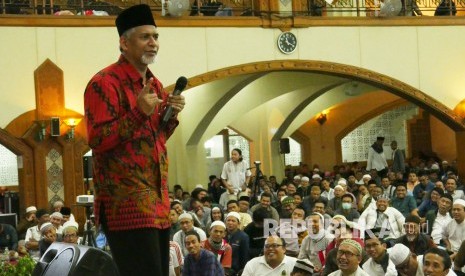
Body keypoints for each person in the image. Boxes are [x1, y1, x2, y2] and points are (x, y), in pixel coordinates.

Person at [83, 4, 185, 276]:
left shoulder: (153, 84)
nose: (153, 43)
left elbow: (154, 139)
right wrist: (139, 112)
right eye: (145, 37)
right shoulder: (104, 83)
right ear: (124, 43)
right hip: (125, 205)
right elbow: (98, 140)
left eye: (156, 37)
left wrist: (170, 116)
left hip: (158, 202)